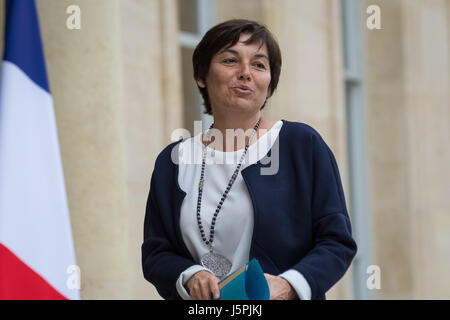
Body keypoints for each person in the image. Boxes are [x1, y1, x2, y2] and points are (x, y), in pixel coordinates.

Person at [142, 19, 357, 300]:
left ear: (269, 86)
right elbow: (156, 253)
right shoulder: (173, 161)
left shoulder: (301, 145)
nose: (245, 73)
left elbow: (336, 243)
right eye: (230, 60)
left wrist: (289, 285)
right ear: (202, 75)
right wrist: (190, 274)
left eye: (259, 65)